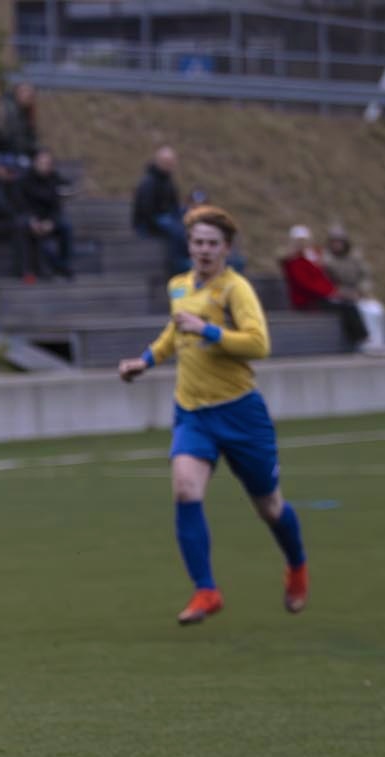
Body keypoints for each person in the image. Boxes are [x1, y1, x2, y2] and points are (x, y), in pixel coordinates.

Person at [116, 206, 308, 625]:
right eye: (198, 242)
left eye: (212, 243)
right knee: (186, 490)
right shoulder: (179, 286)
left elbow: (259, 344)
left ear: (226, 248)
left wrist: (208, 330)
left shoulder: (236, 290)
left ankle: (297, 566)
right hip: (192, 411)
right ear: (189, 246)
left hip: (240, 413)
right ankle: (206, 590)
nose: (204, 249)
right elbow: (174, 333)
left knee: (270, 506)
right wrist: (144, 361)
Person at [280, 224, 368, 350]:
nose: (303, 244)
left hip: (320, 296)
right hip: (308, 301)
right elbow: (307, 285)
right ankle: (361, 339)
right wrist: (332, 292)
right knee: (347, 308)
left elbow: (322, 279)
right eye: (299, 241)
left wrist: (334, 291)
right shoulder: (294, 262)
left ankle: (360, 339)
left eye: (304, 241)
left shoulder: (311, 258)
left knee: (351, 305)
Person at [322, 225, 385, 355]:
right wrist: (345, 293)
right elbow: (327, 283)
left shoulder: (354, 258)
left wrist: (361, 290)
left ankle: (379, 342)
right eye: (334, 242)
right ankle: (365, 343)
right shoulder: (327, 260)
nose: (337, 245)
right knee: (360, 310)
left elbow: (365, 276)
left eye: (339, 241)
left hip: (357, 293)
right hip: (340, 296)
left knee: (375, 308)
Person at [18, 148, 74, 279]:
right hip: (31, 219)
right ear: (35, 163)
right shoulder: (24, 180)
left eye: (48, 163)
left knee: (66, 227)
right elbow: (20, 204)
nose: (45, 166)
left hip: (49, 219)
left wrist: (51, 222)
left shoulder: (54, 178)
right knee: (37, 238)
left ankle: (64, 264)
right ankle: (43, 269)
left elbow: (57, 205)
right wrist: (32, 220)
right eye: (42, 163)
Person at [131, 145, 187, 275]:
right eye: (167, 162)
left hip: (165, 216)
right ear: (159, 162)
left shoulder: (168, 181)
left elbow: (174, 203)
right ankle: (178, 264)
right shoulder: (149, 181)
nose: (170, 165)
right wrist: (155, 226)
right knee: (175, 230)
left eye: (172, 162)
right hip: (148, 222)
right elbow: (145, 210)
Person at [0, 81, 40, 165]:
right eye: (25, 92)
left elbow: (31, 136)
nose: (29, 96)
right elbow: (12, 137)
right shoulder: (9, 110)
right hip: (6, 153)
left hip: (17, 152)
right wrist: (33, 151)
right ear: (17, 93)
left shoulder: (25, 110)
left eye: (31, 94)